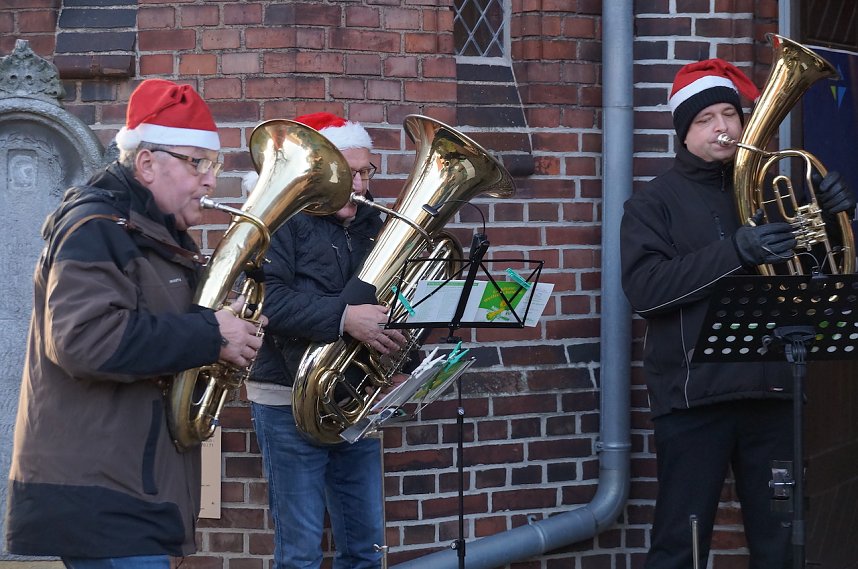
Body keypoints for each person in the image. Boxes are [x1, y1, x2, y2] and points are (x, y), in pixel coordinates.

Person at [5, 78, 265, 568]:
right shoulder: (96, 229)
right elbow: (85, 341)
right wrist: (211, 334)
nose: (210, 181)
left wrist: (223, 328)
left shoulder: (152, 235)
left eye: (213, 165)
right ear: (147, 163)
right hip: (103, 494)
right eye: (198, 163)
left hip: (132, 486)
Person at [620, 59, 855, 569]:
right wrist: (737, 252)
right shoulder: (651, 203)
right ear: (684, 132)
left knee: (781, 543)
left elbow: (817, 280)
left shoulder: (775, 193)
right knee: (682, 546)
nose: (723, 127)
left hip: (772, 390)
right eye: (706, 119)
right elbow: (645, 291)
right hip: (693, 397)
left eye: (731, 114)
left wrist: (839, 224)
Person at [244, 112, 407, 569]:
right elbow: (267, 301)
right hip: (285, 399)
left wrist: (401, 364)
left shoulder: (377, 223)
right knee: (299, 555)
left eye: (366, 172)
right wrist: (344, 317)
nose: (361, 184)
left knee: (366, 549)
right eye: (350, 173)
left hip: (358, 398)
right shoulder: (279, 219)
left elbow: (400, 301)